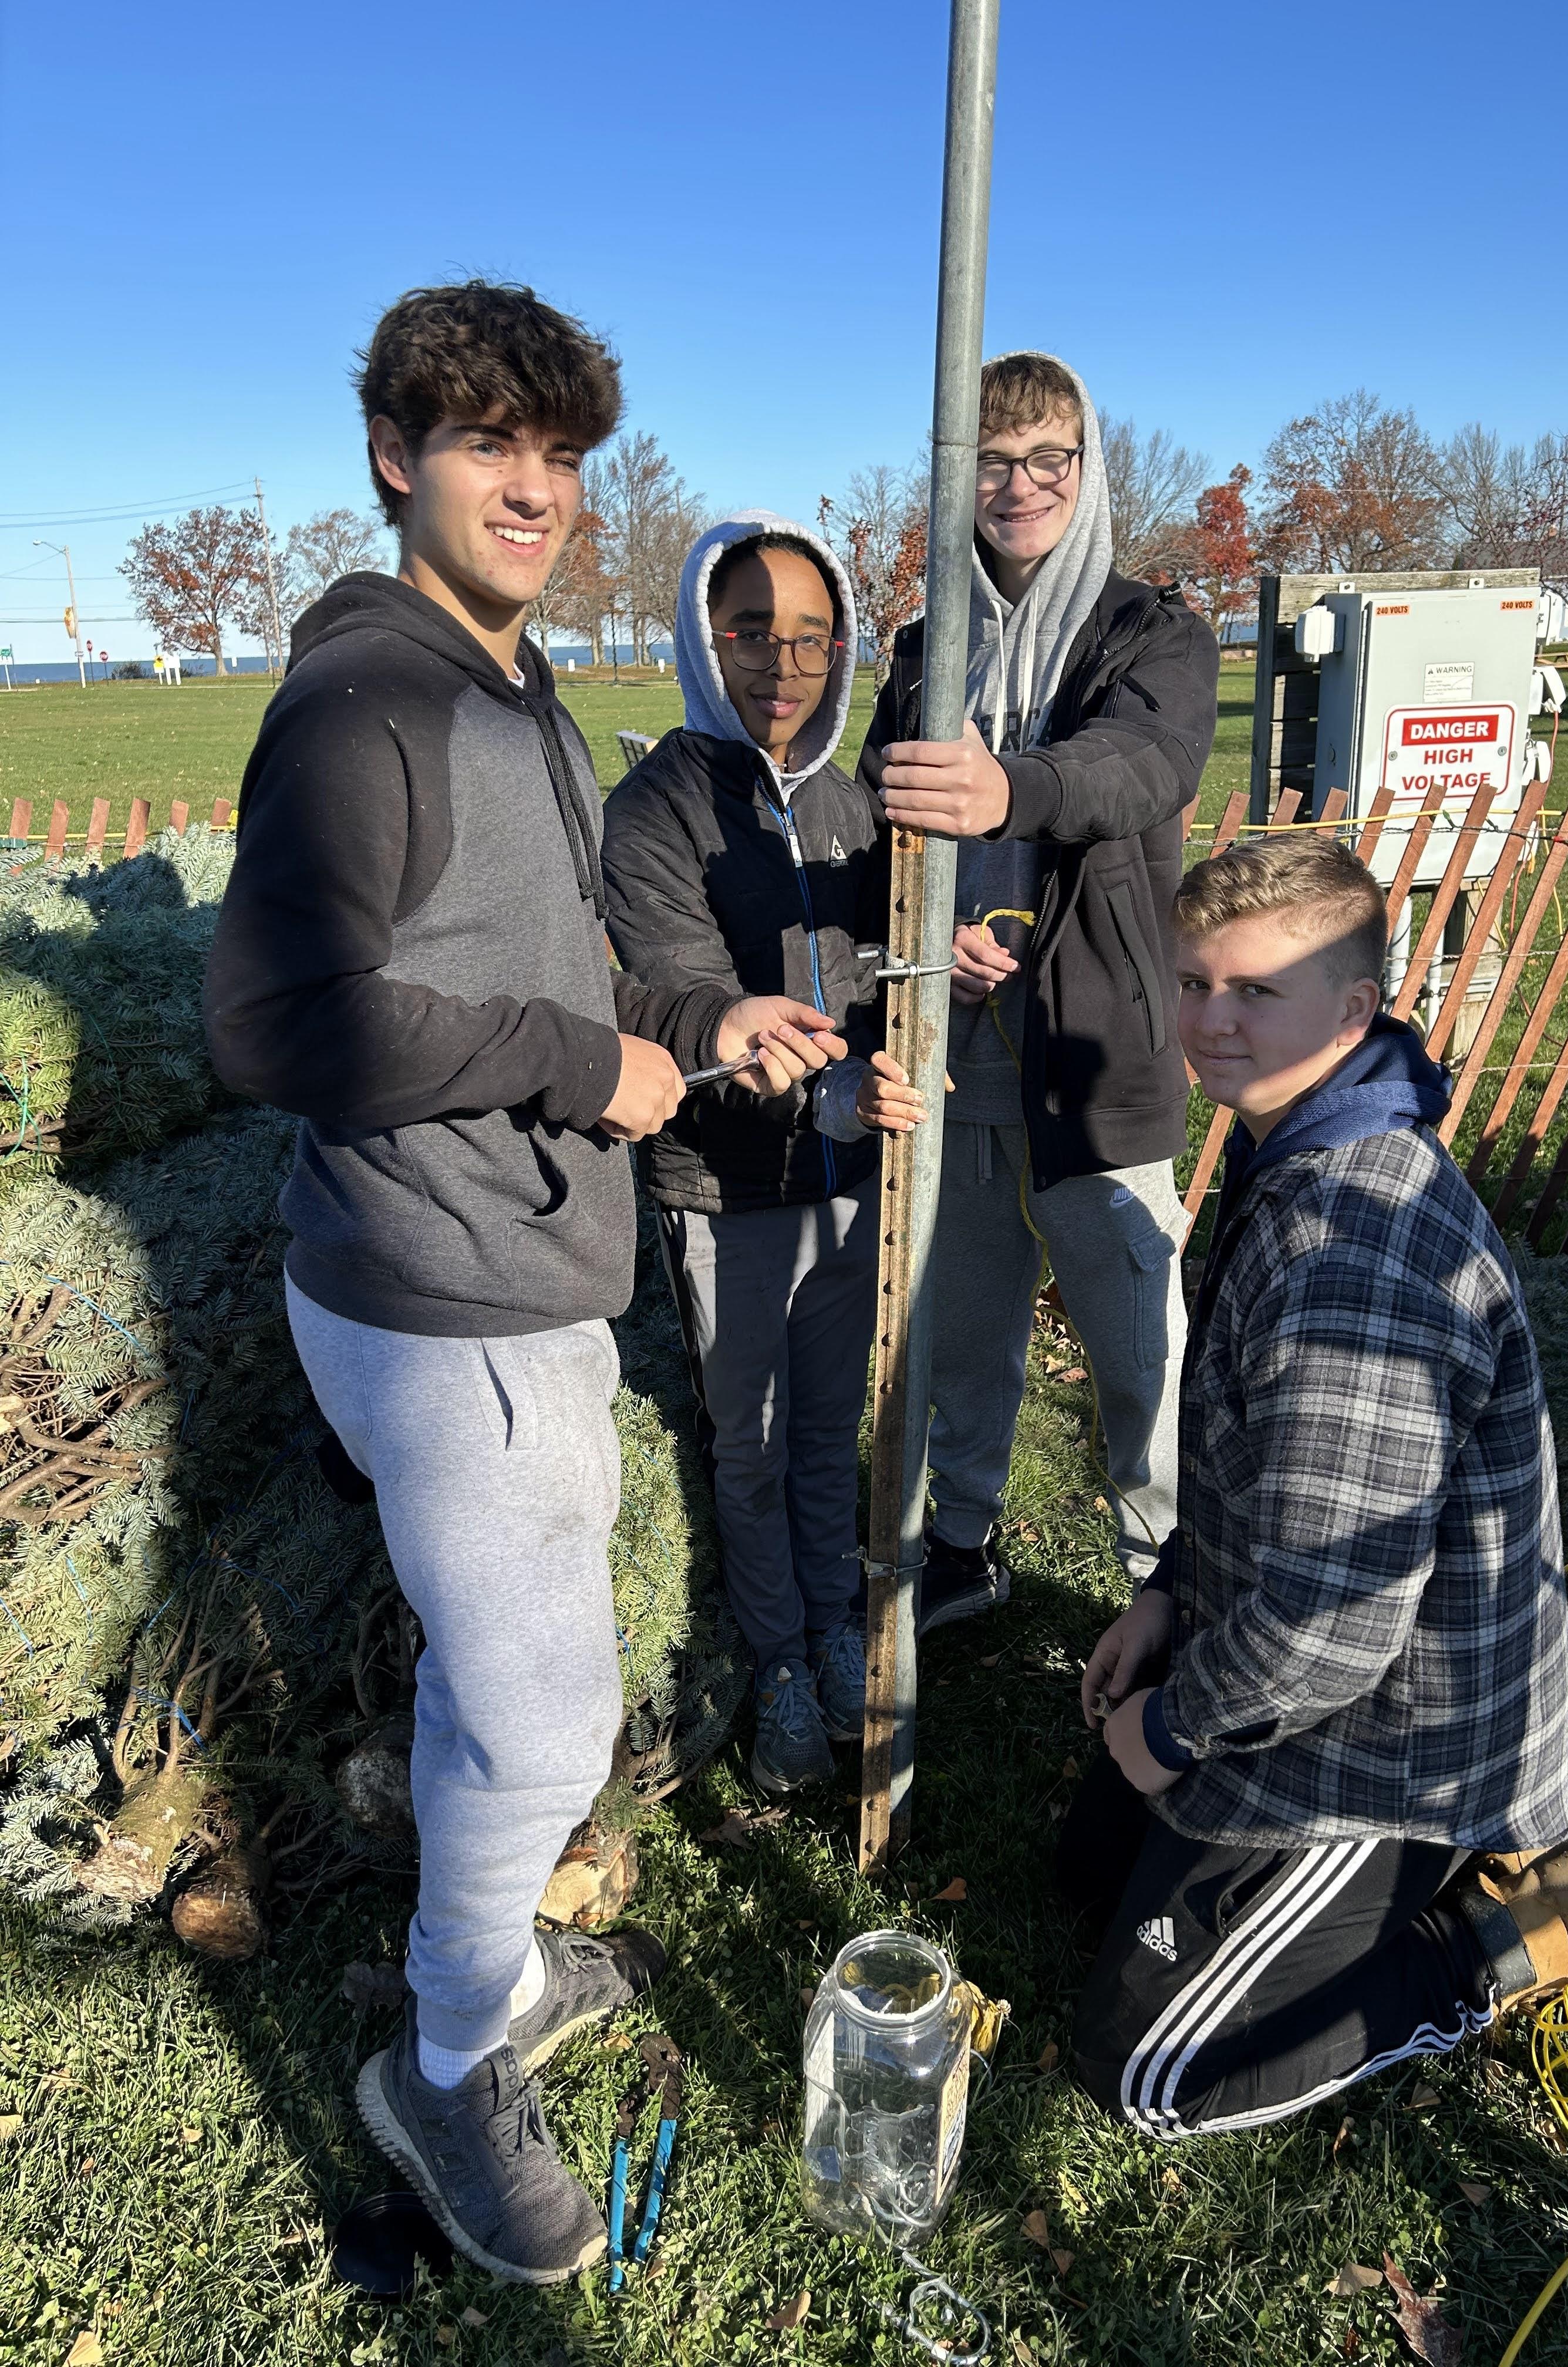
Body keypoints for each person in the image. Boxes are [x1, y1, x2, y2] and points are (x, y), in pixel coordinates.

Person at [204, 283, 842, 2282]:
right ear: (398, 456)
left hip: (533, 1262)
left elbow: (553, 975)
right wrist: (587, 1066)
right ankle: (446, 2058)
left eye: (561, 457)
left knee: (535, 1693)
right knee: (546, 1704)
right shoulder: (365, 702)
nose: (535, 489)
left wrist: (696, 1013)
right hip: (428, 1282)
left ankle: (480, 1957)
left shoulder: (517, 696)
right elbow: (279, 1018)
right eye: (492, 446)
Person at [1060, 834, 1568, 2137]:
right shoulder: (1289, 1141)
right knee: (1080, 1871)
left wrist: (1176, 1728)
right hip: (1300, 1660)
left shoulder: (1359, 1252)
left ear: (1357, 1007)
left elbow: (1333, 1632)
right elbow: (1265, 1475)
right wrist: (1172, 1593)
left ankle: (1510, 1932)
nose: (1210, 1024)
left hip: (1391, 1743)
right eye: (1193, 983)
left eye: (1255, 991)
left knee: (1150, 2073)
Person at [861, 350, 1219, 1632]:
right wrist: (925, 915)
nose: (1018, 487)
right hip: (957, 1053)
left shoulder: (1150, 635)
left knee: (1142, 1352)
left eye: (1046, 459)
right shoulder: (922, 651)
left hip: (1095, 1051)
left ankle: (1164, 1573)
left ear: (1088, 467)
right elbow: (880, 814)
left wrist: (1015, 787)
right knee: (965, 1325)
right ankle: (963, 1537)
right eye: (989, 462)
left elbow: (1145, 766)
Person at [603, 514, 928, 1795]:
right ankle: (779, 1659)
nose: (783, 663)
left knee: (823, 1431)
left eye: (811, 635)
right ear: (702, 636)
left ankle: (839, 1634)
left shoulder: (854, 807)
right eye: (750, 632)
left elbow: (865, 975)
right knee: (748, 1438)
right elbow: (683, 999)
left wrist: (931, 982)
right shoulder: (658, 810)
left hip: (847, 1190)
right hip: (723, 1191)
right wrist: (821, 1103)